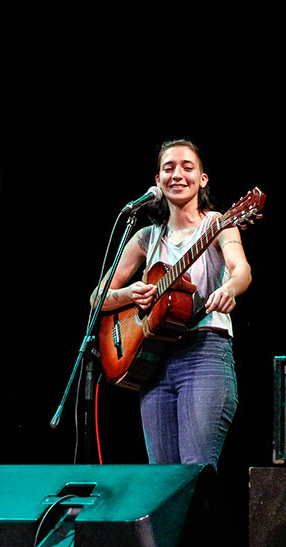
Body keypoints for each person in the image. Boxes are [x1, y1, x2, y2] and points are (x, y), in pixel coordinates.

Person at [90, 139, 252, 467]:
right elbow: (98, 297)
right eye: (169, 168)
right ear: (157, 181)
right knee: (161, 480)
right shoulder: (146, 237)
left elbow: (241, 270)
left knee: (194, 473)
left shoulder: (219, 223)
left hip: (204, 354)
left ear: (203, 179)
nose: (178, 174)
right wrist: (128, 294)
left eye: (187, 167)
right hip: (154, 362)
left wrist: (230, 289)